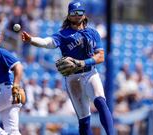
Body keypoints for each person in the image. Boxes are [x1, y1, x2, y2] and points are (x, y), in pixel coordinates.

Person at [21, 1, 114, 135]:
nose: (76, 16)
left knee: (100, 101)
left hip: (90, 74)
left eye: (79, 12)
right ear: (68, 15)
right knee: (84, 119)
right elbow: (47, 42)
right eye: (73, 13)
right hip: (73, 78)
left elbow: (100, 57)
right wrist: (32, 40)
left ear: (84, 14)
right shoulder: (63, 35)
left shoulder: (93, 32)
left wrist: (82, 63)